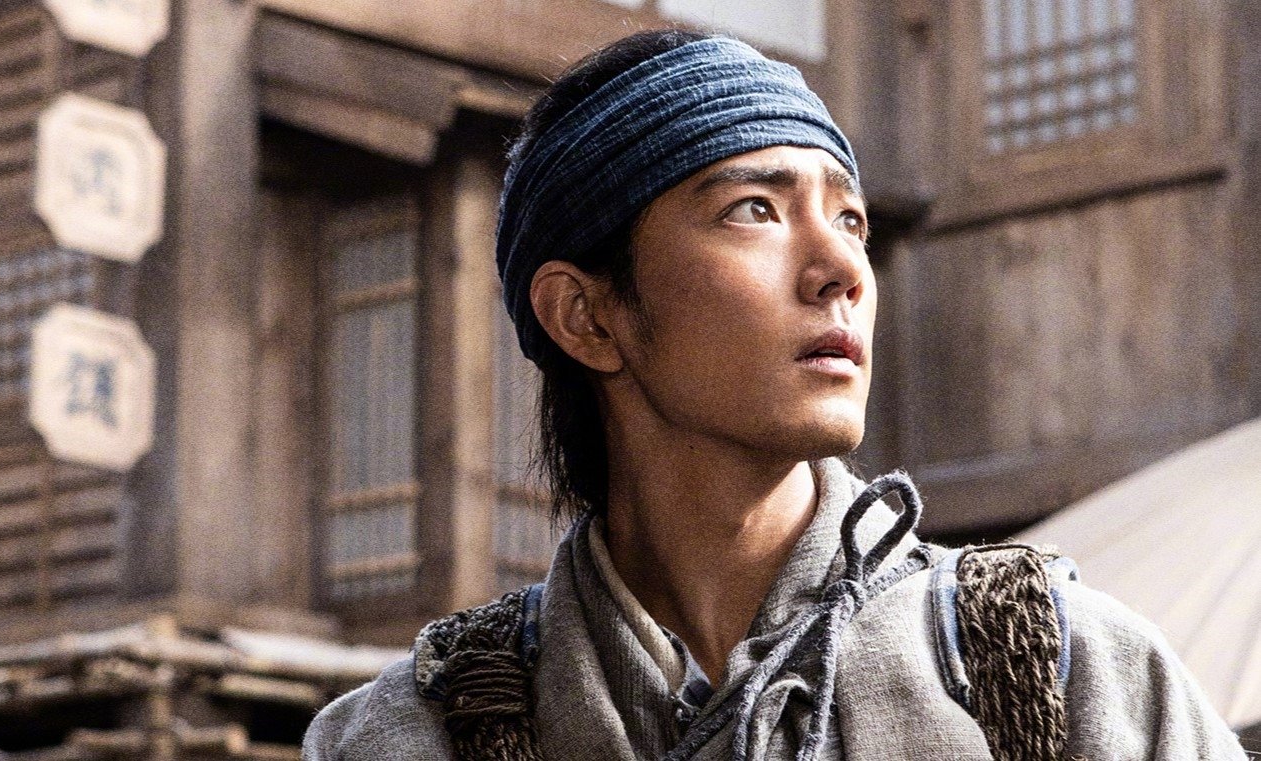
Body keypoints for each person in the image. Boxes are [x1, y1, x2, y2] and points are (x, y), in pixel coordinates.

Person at [304, 29, 1246, 760]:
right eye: (754, 209)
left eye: (850, 219)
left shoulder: (1062, 671)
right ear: (587, 316)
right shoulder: (411, 734)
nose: (843, 268)